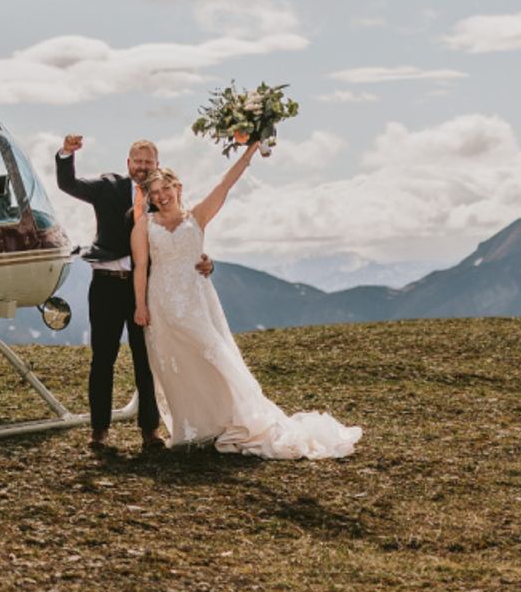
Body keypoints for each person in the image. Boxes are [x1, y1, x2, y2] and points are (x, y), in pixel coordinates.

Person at [131, 145, 362, 459]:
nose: (161, 196)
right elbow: (141, 267)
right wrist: (140, 307)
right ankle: (196, 428)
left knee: (216, 358)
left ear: (178, 188)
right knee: (177, 368)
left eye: (166, 189)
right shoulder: (144, 225)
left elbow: (225, 184)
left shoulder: (197, 216)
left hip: (196, 302)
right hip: (161, 306)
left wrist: (251, 148)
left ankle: (239, 419)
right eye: (155, 192)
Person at [57, 135, 212, 451]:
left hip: (146, 287)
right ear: (128, 164)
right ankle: (99, 430)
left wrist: (205, 261)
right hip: (106, 286)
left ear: (157, 165)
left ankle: (149, 431)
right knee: (103, 358)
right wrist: (65, 154)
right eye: (137, 162)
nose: (142, 168)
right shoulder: (106, 186)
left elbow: (183, 236)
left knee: (146, 360)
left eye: (148, 163)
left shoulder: (162, 197)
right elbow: (68, 184)